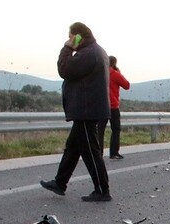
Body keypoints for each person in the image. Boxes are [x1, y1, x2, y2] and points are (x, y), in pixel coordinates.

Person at [40, 22, 112, 202]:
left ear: (77, 35)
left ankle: (102, 190)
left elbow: (65, 70)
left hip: (86, 111)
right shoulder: (97, 50)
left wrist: (66, 48)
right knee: (73, 148)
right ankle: (60, 182)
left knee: (90, 151)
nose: (69, 39)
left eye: (70, 36)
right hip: (88, 109)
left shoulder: (88, 53)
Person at [98, 55, 130, 159]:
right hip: (113, 106)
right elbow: (127, 85)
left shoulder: (100, 73)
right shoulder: (115, 74)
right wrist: (119, 72)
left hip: (101, 106)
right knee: (116, 130)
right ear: (114, 63)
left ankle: (98, 153)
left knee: (100, 130)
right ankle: (114, 152)